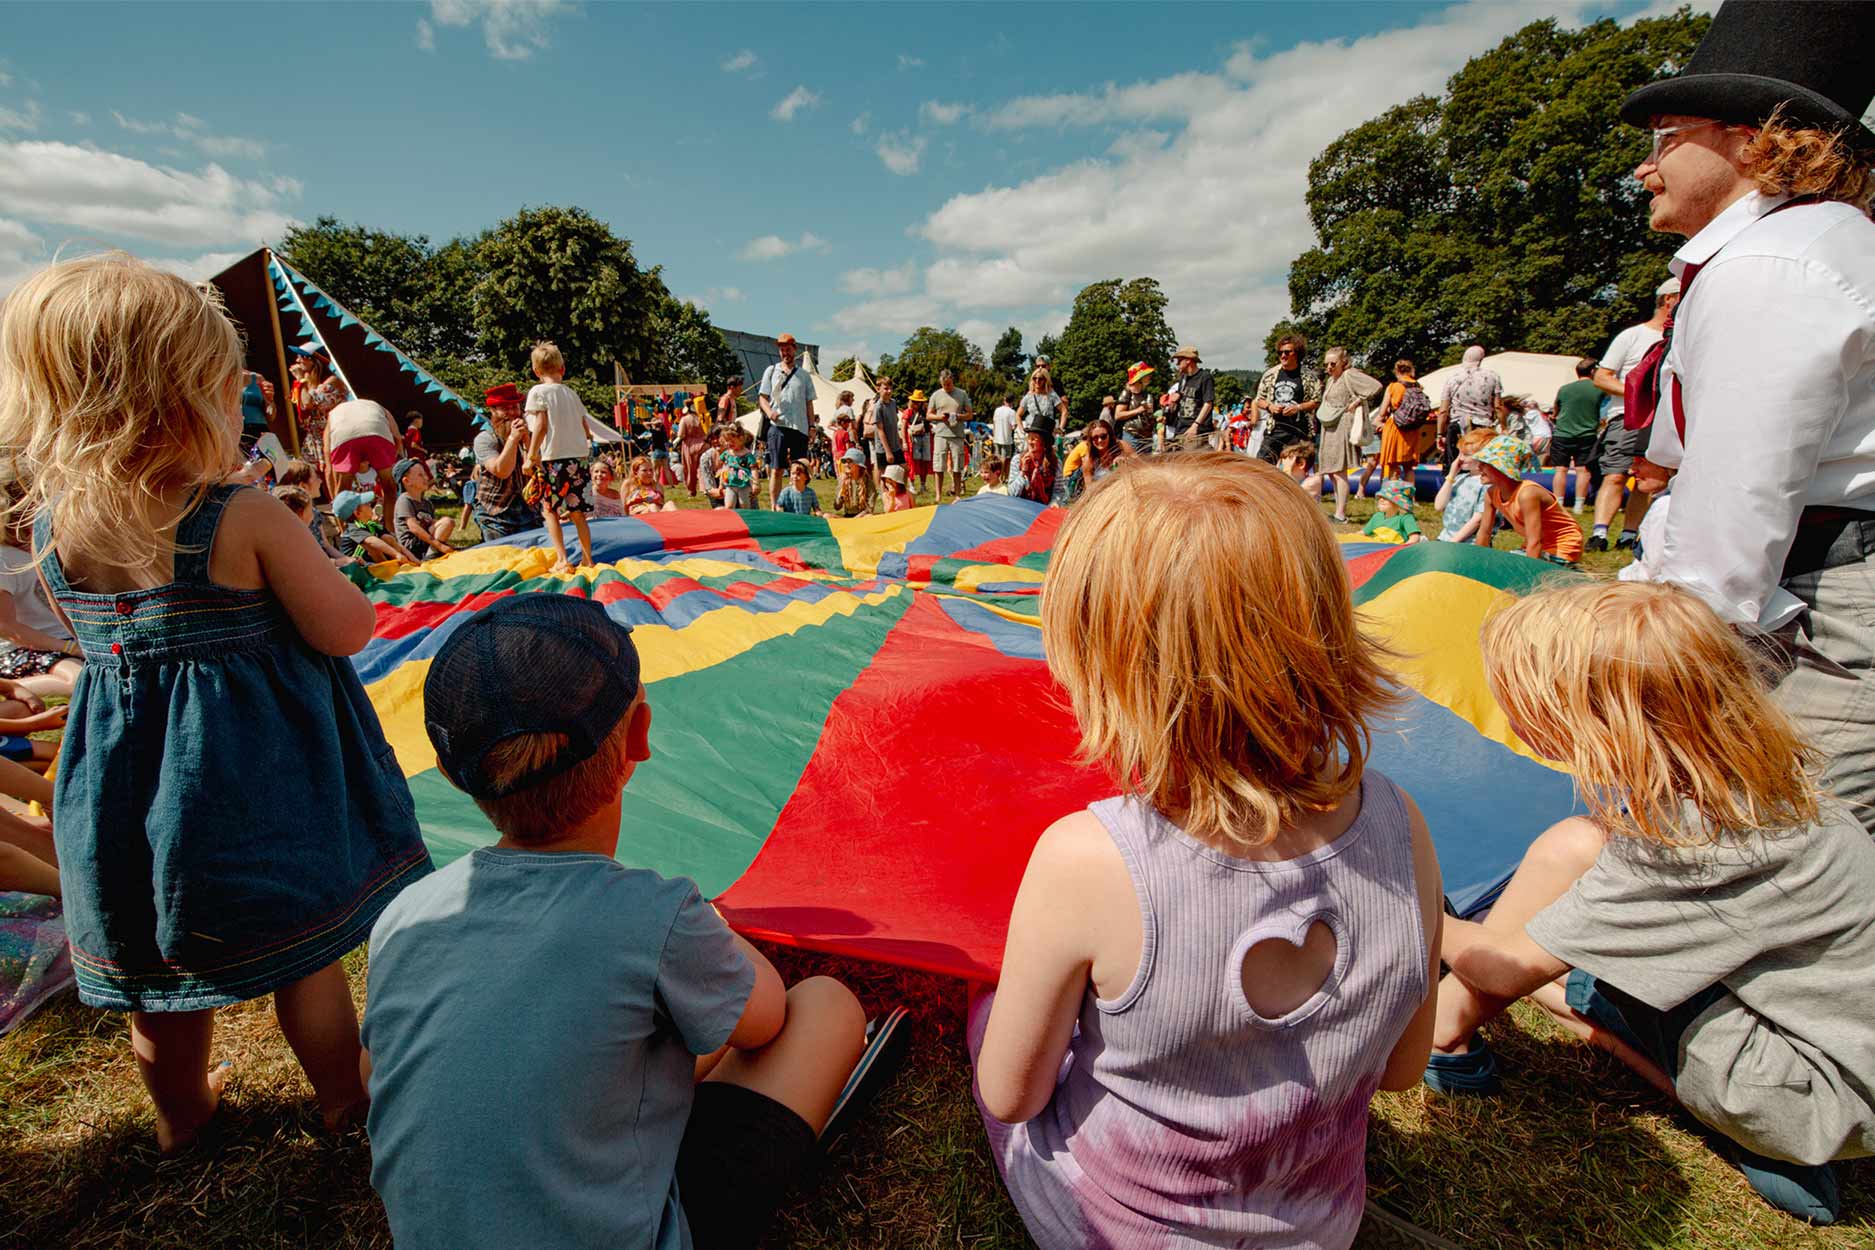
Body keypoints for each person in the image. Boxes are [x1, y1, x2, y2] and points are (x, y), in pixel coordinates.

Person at [0, 253, 432, 1151]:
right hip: (255, 772)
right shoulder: (241, 515)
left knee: (153, 971)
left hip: (126, 784)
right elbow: (345, 628)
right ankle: (344, 1100)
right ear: (189, 395)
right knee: (304, 953)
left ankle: (182, 1115)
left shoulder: (54, 528)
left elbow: (72, 638)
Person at [973, 452, 1441, 1250]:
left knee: (984, 1010)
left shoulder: (1089, 858)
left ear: (1104, 662)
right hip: (1320, 1222)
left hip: (1110, 1228)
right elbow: (1399, 1070)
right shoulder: (1404, 824)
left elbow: (1013, 1096)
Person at [361, 593, 885, 1250]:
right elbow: (766, 1018)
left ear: (450, 774)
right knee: (826, 1007)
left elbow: (376, 1073)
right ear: (640, 734)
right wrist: (713, 926)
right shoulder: (655, 916)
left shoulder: (401, 918)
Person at [1428, 580, 1875, 1224]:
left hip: (1812, 1096)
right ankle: (1449, 1029)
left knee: (1584, 982)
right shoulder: (1764, 791)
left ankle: (1765, 1139)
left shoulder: (1698, 845)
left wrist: (1409, 901)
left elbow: (1503, 968)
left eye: (1525, 701)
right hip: (1835, 1046)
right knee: (1578, 864)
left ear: (1594, 718)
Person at [1614, 0, 1875, 829]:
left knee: (1737, 862)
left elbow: (1729, 530)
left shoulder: (1771, 266)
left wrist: (1660, 688)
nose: (1642, 168)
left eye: (1663, 138)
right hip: (1810, 589)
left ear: (1748, 139)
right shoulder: (1814, 243)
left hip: (1820, 614)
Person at [1588, 278, 1681, 550]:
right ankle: (1600, 533)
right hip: (1626, 418)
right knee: (1616, 474)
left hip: (1660, 420)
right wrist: (1638, 394)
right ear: (1668, 300)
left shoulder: (1681, 337)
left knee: (1648, 477)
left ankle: (1629, 533)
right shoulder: (1632, 336)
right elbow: (1601, 377)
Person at [524, 342, 597, 572]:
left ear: (536, 371)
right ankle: (587, 559)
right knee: (578, 512)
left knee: (550, 510)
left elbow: (541, 426)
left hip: (553, 458)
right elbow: (586, 428)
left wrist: (531, 455)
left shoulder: (538, 392)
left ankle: (563, 559)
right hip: (578, 458)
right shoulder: (572, 394)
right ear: (562, 368)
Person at [1472, 435, 1583, 565]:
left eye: (1485, 463)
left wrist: (1530, 575)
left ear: (1502, 467)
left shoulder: (1527, 494)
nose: (1479, 467)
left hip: (1562, 547)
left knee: (1508, 567)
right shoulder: (1491, 493)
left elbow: (1535, 541)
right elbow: (1484, 533)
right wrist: (1477, 564)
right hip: (1536, 545)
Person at [1315, 347, 1384, 524]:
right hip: (1330, 426)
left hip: (1342, 426)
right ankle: (1339, 511)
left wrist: (1359, 400)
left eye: (1333, 363)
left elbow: (1375, 386)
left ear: (1343, 363)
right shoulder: (1332, 380)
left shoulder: (1350, 375)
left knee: (1339, 471)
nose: (1329, 367)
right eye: (1326, 364)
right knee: (1331, 471)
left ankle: (1341, 513)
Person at [472, 383, 540, 541]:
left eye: (515, 407)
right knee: (504, 557)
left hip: (528, 511)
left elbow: (536, 468)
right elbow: (502, 471)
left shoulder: (529, 436)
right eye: (505, 408)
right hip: (494, 512)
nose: (512, 413)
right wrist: (513, 439)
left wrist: (527, 440)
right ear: (493, 411)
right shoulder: (484, 439)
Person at [758, 333, 814, 510]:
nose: (785, 353)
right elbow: (762, 398)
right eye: (782, 349)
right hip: (778, 426)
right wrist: (769, 412)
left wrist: (812, 426)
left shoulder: (804, 376)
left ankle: (800, 506)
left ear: (794, 350)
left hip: (800, 427)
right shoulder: (771, 371)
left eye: (788, 349)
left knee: (800, 470)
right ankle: (776, 506)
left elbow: (809, 403)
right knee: (776, 468)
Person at [1549, 358, 1604, 518]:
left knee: (1561, 470)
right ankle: (1579, 505)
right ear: (1593, 371)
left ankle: (1558, 502)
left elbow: (1556, 411)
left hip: (1562, 434)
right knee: (1583, 471)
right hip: (1586, 435)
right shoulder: (1598, 389)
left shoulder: (1564, 389)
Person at [1436, 346, 1502, 473]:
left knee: (1456, 466)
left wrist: (1440, 434)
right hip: (1483, 427)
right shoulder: (1492, 376)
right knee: (1482, 466)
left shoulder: (1452, 378)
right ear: (1481, 359)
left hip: (1458, 426)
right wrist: (1504, 426)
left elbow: (1443, 411)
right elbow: (1498, 406)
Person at [287, 343, 349, 469]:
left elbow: (308, 403)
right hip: (314, 442)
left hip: (332, 439)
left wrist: (300, 380)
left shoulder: (332, 382)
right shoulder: (310, 384)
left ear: (314, 361)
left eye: (301, 356)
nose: (297, 360)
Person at [1374, 358, 1432, 485]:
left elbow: (1382, 412)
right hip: (1412, 430)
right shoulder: (1418, 387)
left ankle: (1393, 495)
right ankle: (1410, 497)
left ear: (1397, 371)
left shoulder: (1394, 387)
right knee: (1408, 467)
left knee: (1393, 464)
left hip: (1396, 428)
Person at [1436, 428, 1497, 544]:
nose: (1461, 458)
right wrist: (1451, 475)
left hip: (1470, 543)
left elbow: (1478, 519)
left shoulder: (1487, 485)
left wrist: (1453, 541)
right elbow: (1439, 506)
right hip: (1445, 537)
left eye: (1466, 454)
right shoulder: (1459, 479)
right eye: (1460, 454)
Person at [391, 457, 457, 562]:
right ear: (407, 481)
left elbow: (434, 524)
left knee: (447, 522)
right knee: (446, 522)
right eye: (420, 475)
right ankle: (431, 556)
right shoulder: (404, 500)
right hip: (412, 546)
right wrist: (439, 545)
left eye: (424, 474)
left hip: (425, 542)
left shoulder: (426, 503)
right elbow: (414, 528)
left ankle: (432, 553)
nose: (426, 478)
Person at [333, 489, 416, 564]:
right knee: (373, 547)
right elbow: (371, 541)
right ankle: (390, 572)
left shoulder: (371, 524)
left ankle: (400, 566)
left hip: (372, 564)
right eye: (366, 504)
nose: (370, 505)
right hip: (359, 568)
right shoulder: (353, 529)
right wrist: (396, 554)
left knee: (388, 538)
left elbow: (395, 543)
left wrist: (414, 560)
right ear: (357, 513)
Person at [928, 369, 973, 504]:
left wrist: (958, 416)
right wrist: (940, 417)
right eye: (944, 384)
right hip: (941, 434)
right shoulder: (936, 395)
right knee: (939, 465)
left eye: (948, 384)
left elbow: (970, 414)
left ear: (952, 380)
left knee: (957, 466)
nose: (946, 387)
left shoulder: (962, 394)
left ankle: (958, 494)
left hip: (957, 434)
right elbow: (929, 415)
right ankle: (938, 495)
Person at [1167, 344, 1218, 451]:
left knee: (1192, 462)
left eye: (1179, 360)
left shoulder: (1204, 377)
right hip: (1181, 428)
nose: (1177, 364)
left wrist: (1195, 425)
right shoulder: (1183, 378)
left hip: (1197, 430)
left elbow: (1208, 403)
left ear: (1188, 360)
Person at [861, 375, 903, 495]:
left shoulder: (893, 403)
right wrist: (888, 451)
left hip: (894, 443)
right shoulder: (877, 407)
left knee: (903, 468)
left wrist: (898, 438)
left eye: (890, 388)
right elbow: (880, 430)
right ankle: (881, 492)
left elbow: (894, 424)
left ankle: (900, 491)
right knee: (881, 470)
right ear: (878, 389)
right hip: (882, 446)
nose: (889, 391)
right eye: (886, 388)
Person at [1113, 361, 1157, 454]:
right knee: (1133, 464)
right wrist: (1139, 410)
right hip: (1132, 435)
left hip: (1147, 436)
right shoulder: (1127, 393)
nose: (1150, 377)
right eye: (1147, 375)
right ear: (1140, 378)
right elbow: (1118, 415)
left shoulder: (1146, 394)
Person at [1363, 481, 1425, 545]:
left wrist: (1403, 547)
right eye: (1380, 497)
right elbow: (1363, 533)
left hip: (1397, 552)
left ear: (1398, 503)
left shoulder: (1405, 518)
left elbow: (1414, 538)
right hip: (1378, 551)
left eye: (1386, 498)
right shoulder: (1377, 517)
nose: (1381, 500)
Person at [1012, 429, 1057, 505]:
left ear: (1043, 443)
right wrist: (1023, 472)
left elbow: (1058, 491)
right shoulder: (1017, 460)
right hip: (1021, 506)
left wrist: (1052, 505)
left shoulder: (1054, 462)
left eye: (1033, 439)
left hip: (1044, 508)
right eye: (1028, 438)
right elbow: (1012, 493)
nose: (1029, 442)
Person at [720, 426, 759, 510]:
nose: (729, 443)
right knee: (729, 506)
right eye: (727, 441)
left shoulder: (747, 455)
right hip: (730, 484)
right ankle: (730, 520)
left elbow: (754, 469)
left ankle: (746, 520)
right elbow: (724, 467)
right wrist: (721, 483)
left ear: (741, 439)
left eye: (732, 441)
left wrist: (755, 483)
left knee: (744, 504)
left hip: (744, 485)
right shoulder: (727, 454)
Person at [1017, 369, 1061, 442]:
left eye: (1040, 379)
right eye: (1035, 378)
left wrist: (1060, 428)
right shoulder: (1028, 396)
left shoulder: (1051, 394)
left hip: (1047, 432)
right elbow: (1018, 414)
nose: (1037, 381)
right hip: (1032, 433)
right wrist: (1022, 430)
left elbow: (1064, 411)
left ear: (1045, 380)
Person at [677, 394, 707, 498]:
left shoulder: (684, 419)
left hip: (690, 445)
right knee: (703, 467)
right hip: (704, 444)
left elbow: (681, 434)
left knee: (689, 469)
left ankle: (691, 490)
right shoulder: (702, 418)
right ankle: (705, 488)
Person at [833, 448, 874, 517]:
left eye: (849, 461)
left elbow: (870, 508)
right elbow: (837, 507)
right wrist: (841, 488)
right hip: (847, 517)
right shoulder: (843, 480)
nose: (846, 464)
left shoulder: (868, 482)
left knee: (869, 516)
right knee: (827, 516)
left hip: (862, 517)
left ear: (859, 466)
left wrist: (856, 518)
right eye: (844, 462)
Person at [698, 427, 726, 509]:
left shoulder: (738, 455)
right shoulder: (706, 457)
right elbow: (710, 489)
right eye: (712, 438)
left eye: (718, 438)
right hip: (718, 495)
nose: (715, 441)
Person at [991, 392, 1019, 464]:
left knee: (997, 460)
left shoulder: (997, 410)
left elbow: (994, 424)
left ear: (1004, 400)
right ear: (1012, 401)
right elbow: (1014, 427)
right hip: (1006, 440)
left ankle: (998, 474)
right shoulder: (1012, 412)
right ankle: (1004, 475)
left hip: (996, 439)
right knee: (1006, 460)